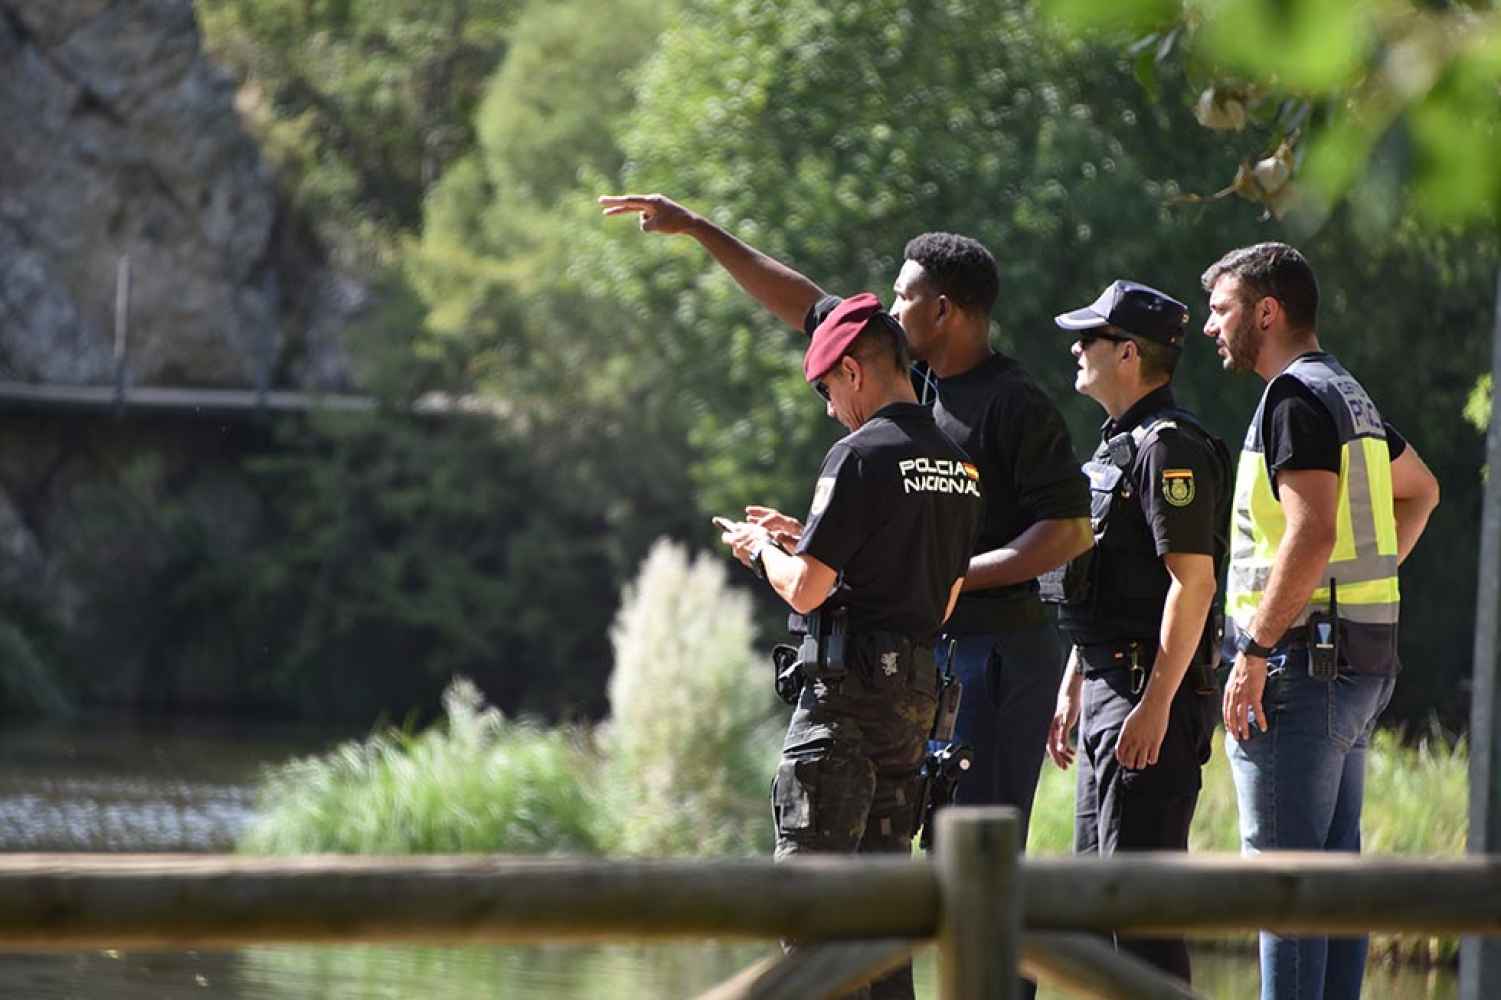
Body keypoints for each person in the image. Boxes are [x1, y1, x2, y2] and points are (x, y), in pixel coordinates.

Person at [599, 192, 1090, 856]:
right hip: (918, 651)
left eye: (903, 296)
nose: (890, 309)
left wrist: (927, 572)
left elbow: (1070, 532)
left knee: (975, 856)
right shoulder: (903, 379)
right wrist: (698, 229)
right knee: (902, 861)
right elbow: (807, 307)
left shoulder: (1014, 404)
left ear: (942, 310)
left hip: (996, 652)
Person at [714, 293, 982, 1000]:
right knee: (883, 925)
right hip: (911, 714)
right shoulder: (959, 467)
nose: (831, 409)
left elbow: (806, 590)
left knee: (812, 915)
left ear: (854, 371)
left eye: (827, 389)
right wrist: (807, 537)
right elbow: (940, 596)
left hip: (843, 713)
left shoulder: (858, 455)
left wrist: (760, 551)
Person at [1201, 242, 1440, 1000]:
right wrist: (1354, 587)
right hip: (1355, 663)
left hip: (1299, 671)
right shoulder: (1346, 394)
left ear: (1266, 312)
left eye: (1221, 309)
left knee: (1285, 886)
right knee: (1335, 882)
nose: (1210, 326)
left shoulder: (1292, 399)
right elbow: (1421, 490)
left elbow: (1309, 532)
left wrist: (1254, 650)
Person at [1042, 280, 1230, 984]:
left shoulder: (1168, 448)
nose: (1075, 349)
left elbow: (1193, 584)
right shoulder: (1122, 445)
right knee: (1096, 907)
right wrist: (1075, 679)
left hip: (1146, 694)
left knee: (1140, 917)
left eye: (1088, 338)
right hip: (1109, 685)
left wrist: (1155, 704)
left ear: (1127, 353)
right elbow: (1110, 583)